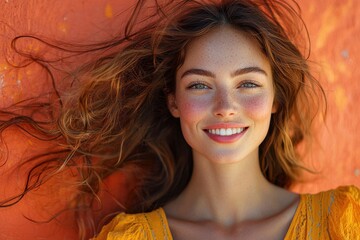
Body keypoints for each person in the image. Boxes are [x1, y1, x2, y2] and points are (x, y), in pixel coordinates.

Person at [1, 0, 359, 239]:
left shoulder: (342, 222)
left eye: (248, 83)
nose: (225, 106)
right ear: (173, 101)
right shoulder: (131, 238)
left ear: (276, 98)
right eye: (200, 85)